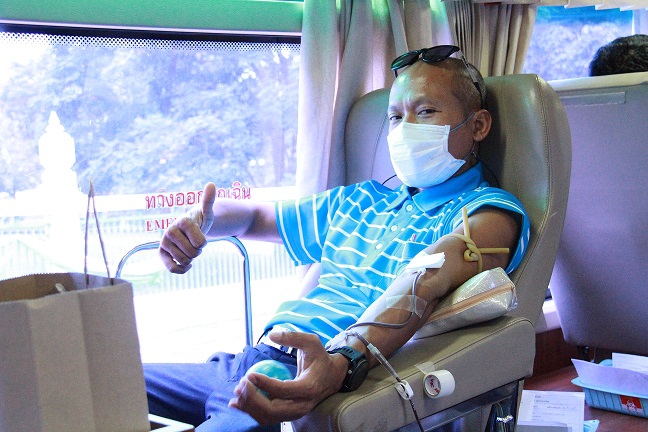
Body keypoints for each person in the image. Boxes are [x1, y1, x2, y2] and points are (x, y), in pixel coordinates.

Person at [144, 46, 530, 432]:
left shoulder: (488, 213)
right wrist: (203, 222)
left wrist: (344, 360)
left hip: (300, 371)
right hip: (247, 360)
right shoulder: (359, 201)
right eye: (396, 117)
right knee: (109, 384)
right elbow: (254, 218)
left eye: (425, 111)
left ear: (478, 126)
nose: (405, 129)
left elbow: (427, 280)